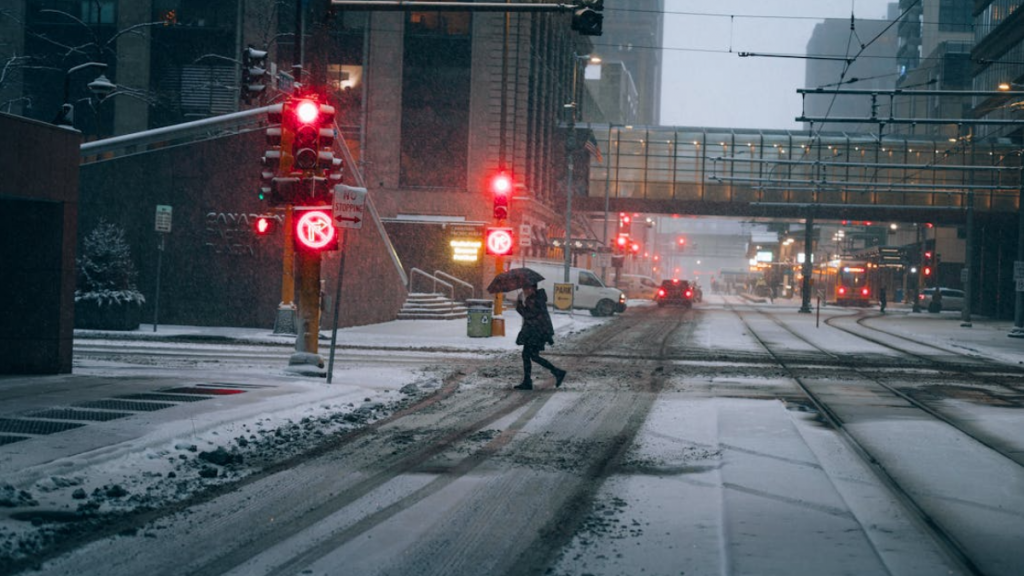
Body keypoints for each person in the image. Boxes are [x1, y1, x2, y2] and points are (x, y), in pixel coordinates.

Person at [514, 283, 566, 390]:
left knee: (530, 356)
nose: (525, 291)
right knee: (530, 356)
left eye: (526, 288)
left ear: (533, 288)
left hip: (536, 332)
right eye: (524, 288)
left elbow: (528, 315)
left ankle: (556, 372)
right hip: (537, 331)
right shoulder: (537, 298)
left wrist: (519, 304)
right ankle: (529, 380)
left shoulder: (534, 300)